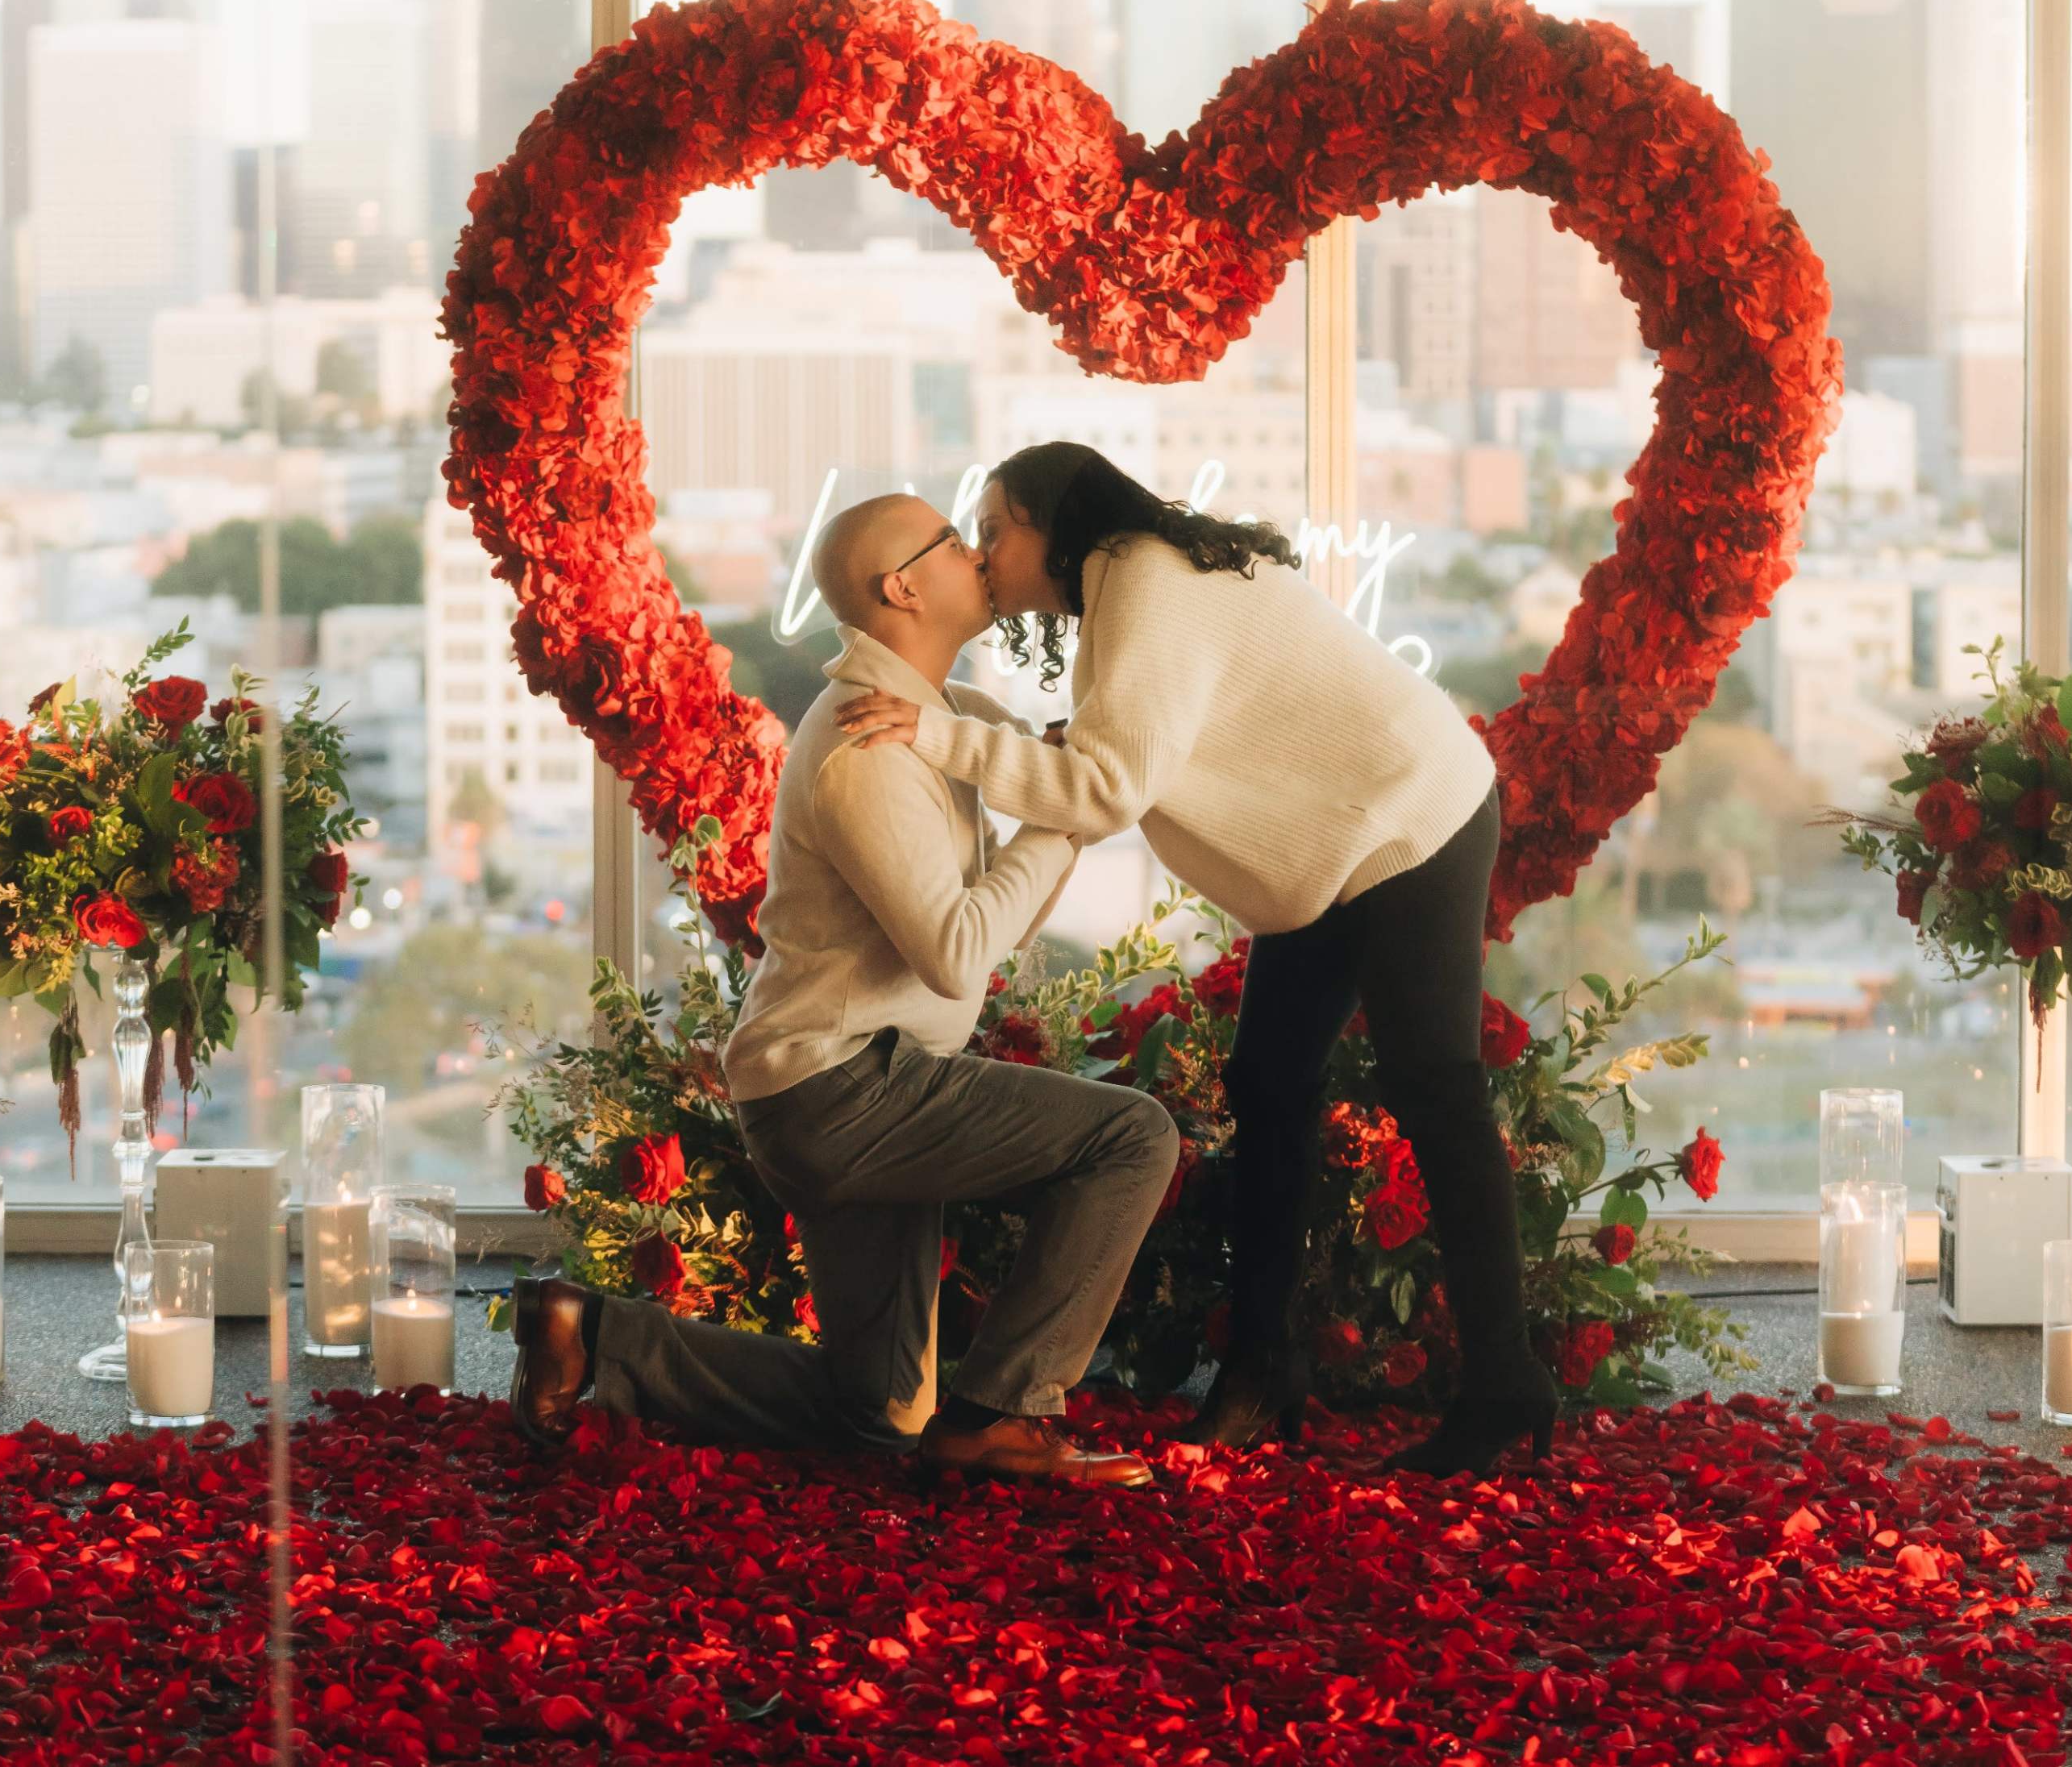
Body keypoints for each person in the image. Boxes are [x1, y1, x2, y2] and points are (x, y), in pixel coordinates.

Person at [836, 441, 1554, 1478]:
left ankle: (1505, 1391)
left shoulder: (1145, 583)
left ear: (1048, 522)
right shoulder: (1122, 583)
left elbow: (1105, 788)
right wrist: (981, 735)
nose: (984, 556)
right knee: (1268, 1084)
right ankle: (1265, 1370)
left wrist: (935, 740)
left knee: (1434, 1087)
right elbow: (1123, 752)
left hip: (1413, 818)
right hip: (1336, 852)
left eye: (993, 529)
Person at [510, 490, 1176, 1486]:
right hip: (847, 1088)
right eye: (958, 540)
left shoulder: (938, 720)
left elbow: (1001, 912)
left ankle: (593, 1339)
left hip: (850, 1081)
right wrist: (1062, 817)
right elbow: (959, 954)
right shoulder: (867, 745)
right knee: (1136, 1138)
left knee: (876, 1412)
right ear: (901, 585)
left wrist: (1065, 795)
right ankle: (1002, 1413)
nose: (980, 552)